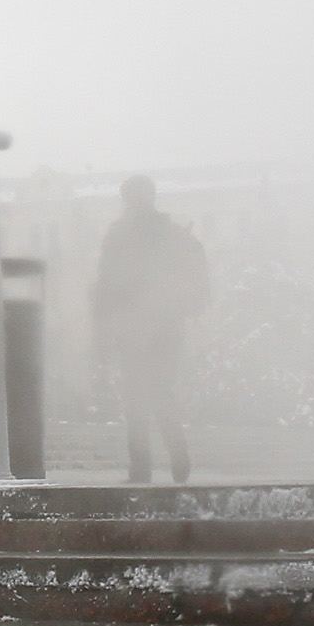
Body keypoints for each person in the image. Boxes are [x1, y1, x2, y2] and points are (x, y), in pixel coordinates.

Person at [92, 176, 209, 484]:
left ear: (127, 199)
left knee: (136, 396)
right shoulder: (173, 233)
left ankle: (141, 468)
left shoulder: (119, 235)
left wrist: (102, 329)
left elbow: (105, 283)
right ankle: (178, 457)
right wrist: (187, 307)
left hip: (135, 326)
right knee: (161, 391)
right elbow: (197, 274)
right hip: (168, 326)